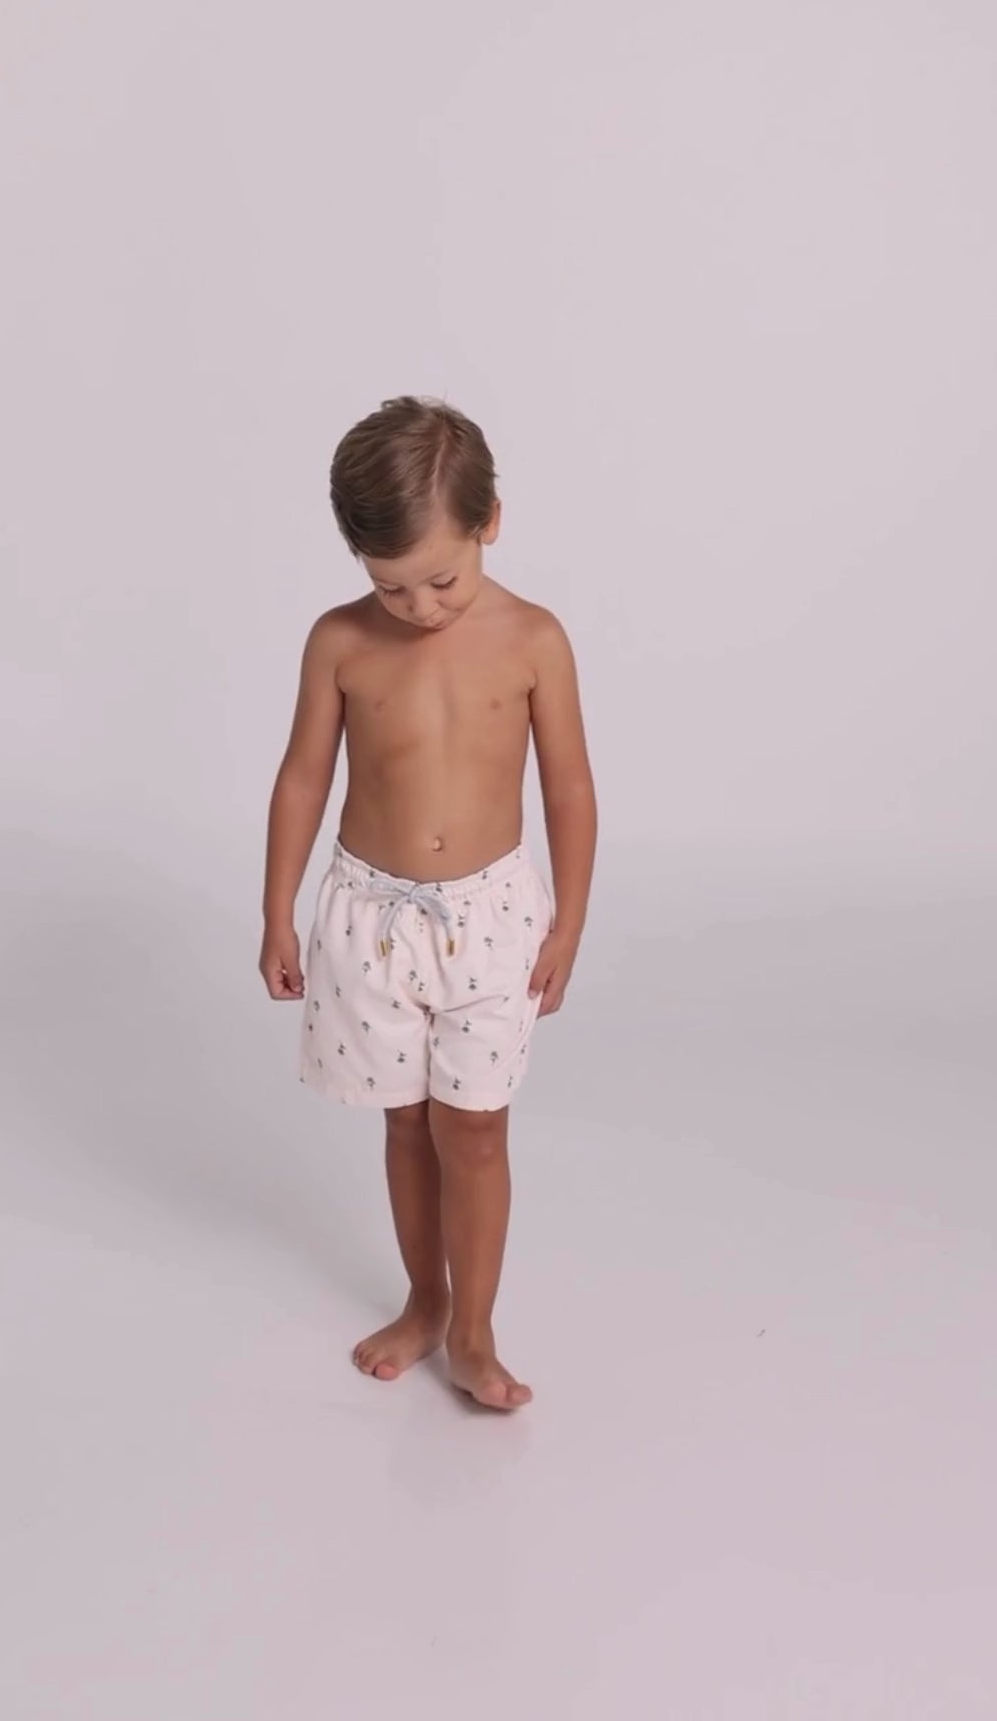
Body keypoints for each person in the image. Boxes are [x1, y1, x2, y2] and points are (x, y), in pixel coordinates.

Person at [259, 396, 597, 1410]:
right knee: (406, 1125)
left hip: (492, 920)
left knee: (475, 1130)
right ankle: (425, 1302)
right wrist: (277, 912)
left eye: (442, 579)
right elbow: (303, 779)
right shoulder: (339, 641)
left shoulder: (534, 639)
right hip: (368, 917)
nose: (419, 607)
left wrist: (570, 922)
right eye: (390, 586)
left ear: (490, 521)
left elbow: (569, 787)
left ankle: (477, 1335)